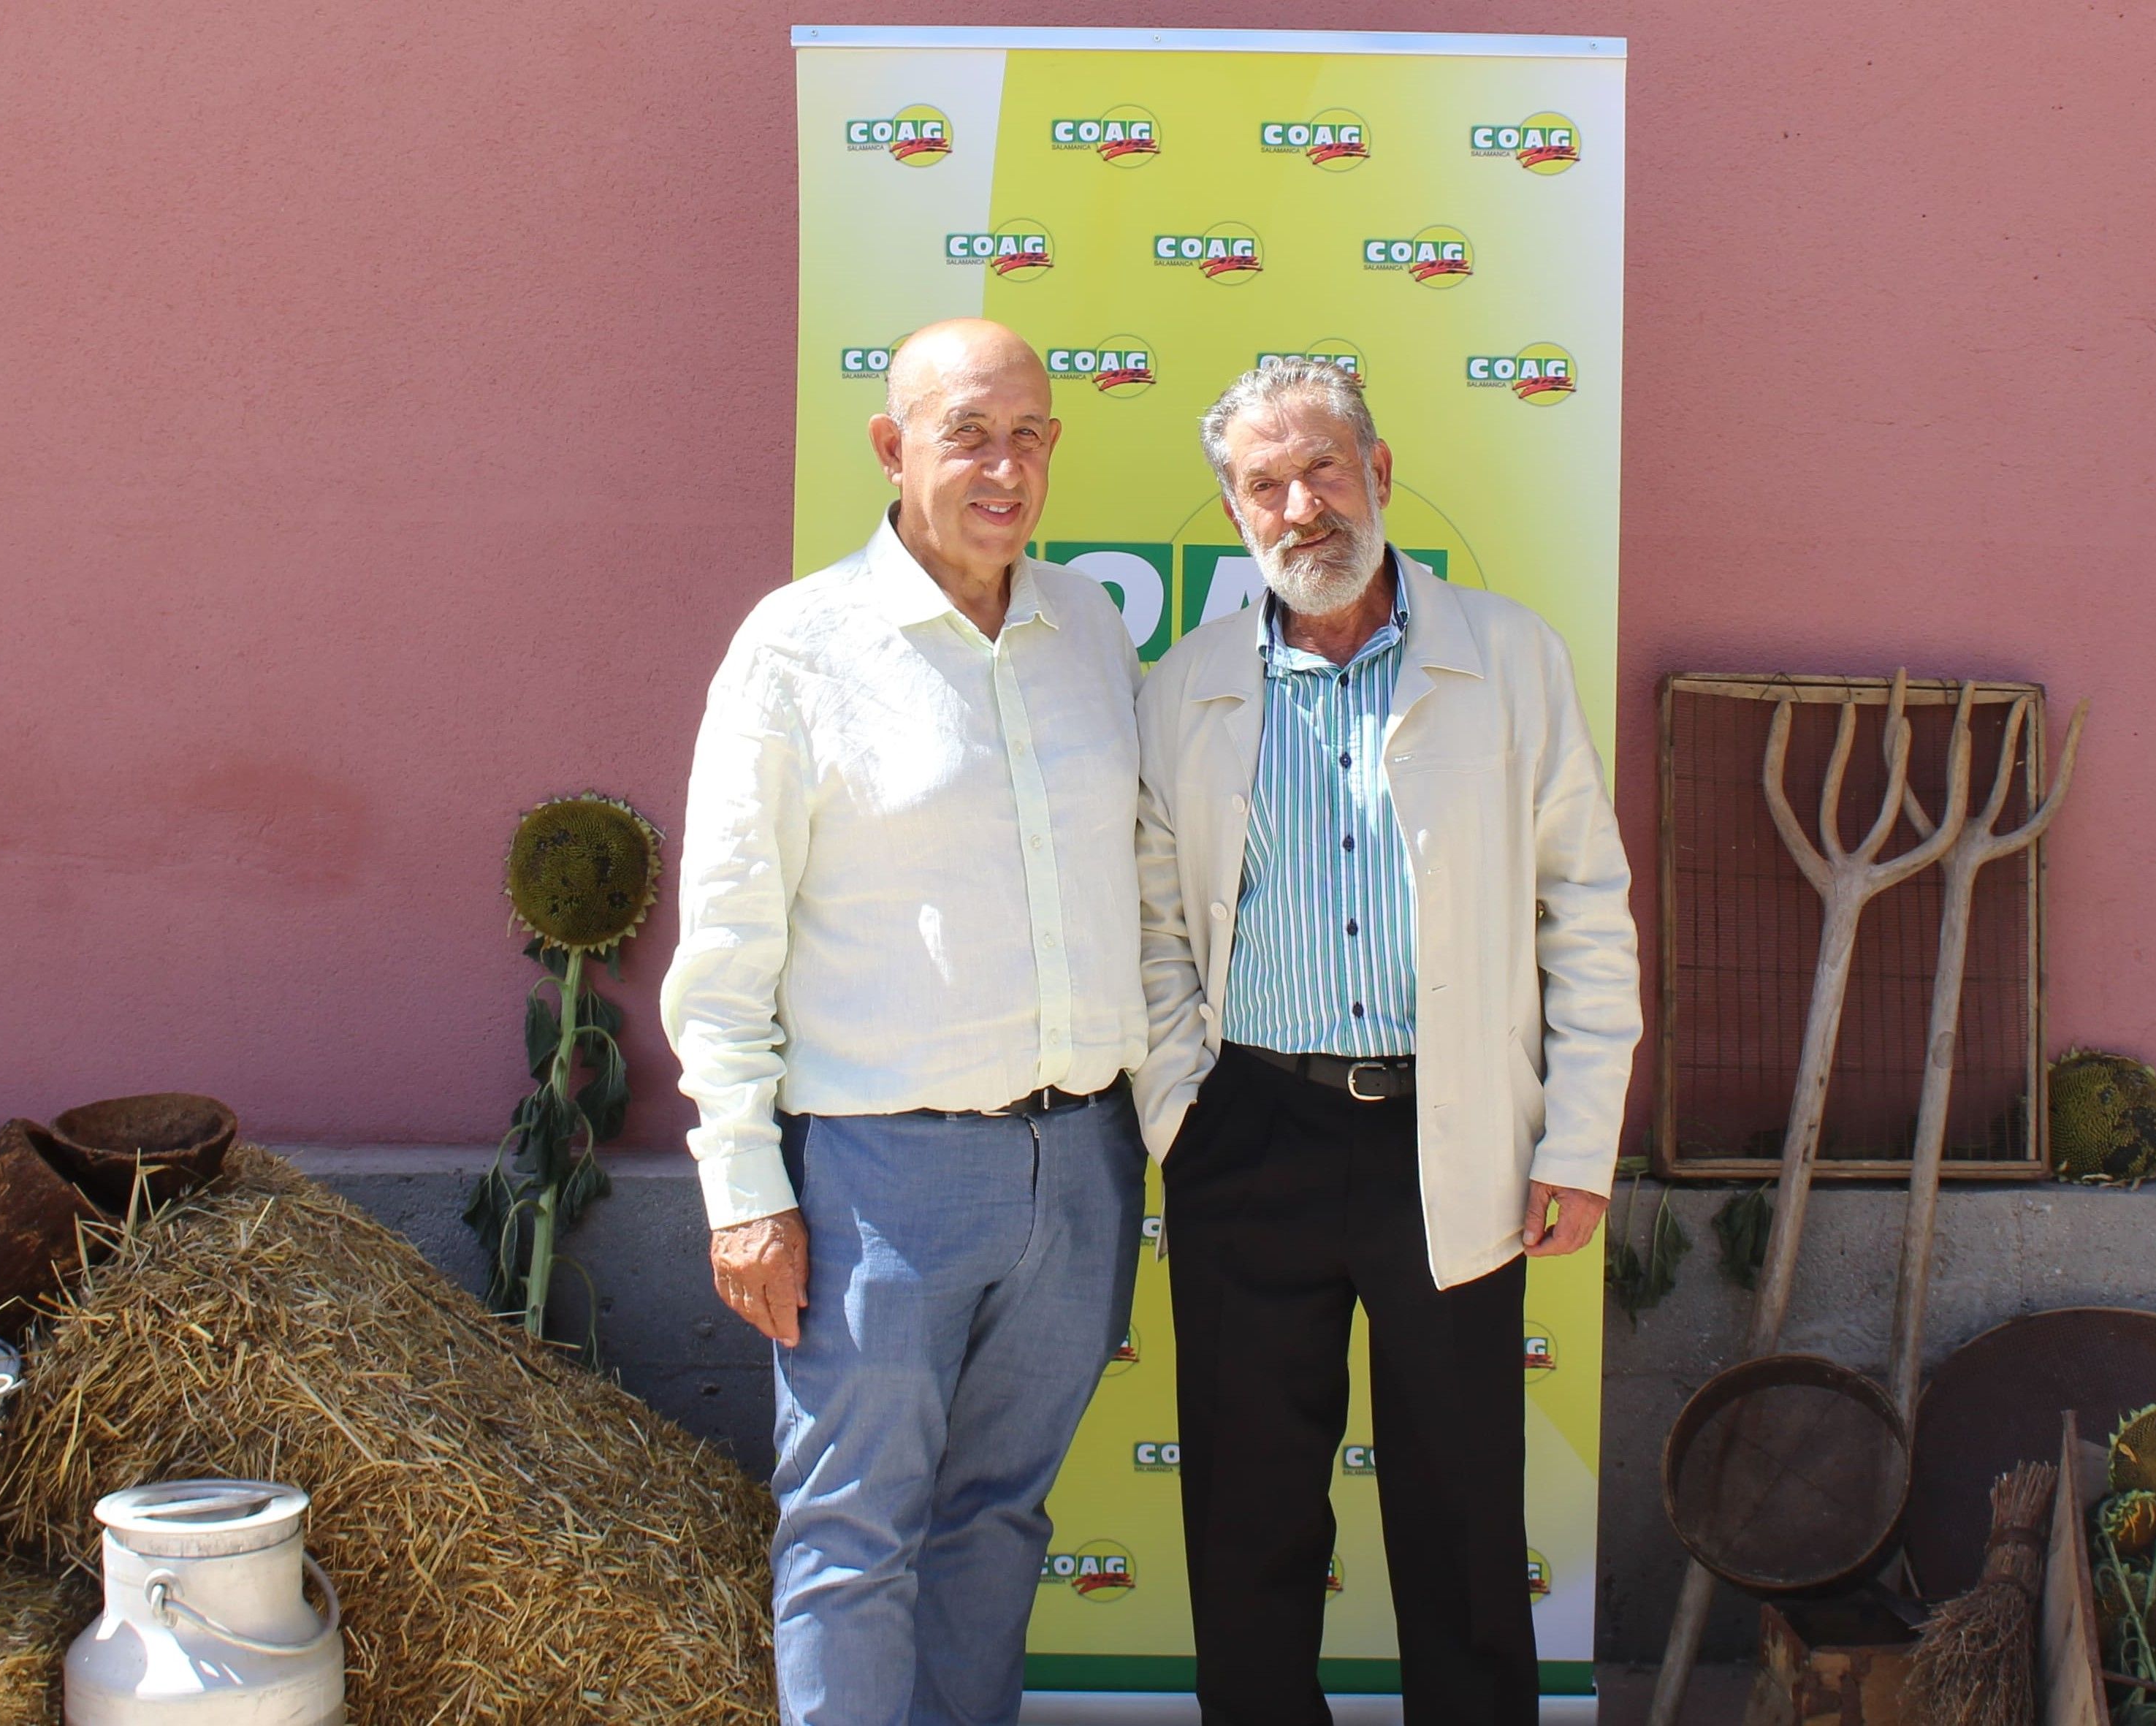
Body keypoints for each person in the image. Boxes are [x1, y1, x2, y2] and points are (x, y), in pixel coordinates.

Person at [1131, 358, 1642, 1725]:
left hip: (1453, 1131)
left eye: (1321, 469)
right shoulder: (1185, 688)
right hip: (1250, 1137)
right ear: (1237, 510)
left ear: (1380, 472)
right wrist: (1188, 1111)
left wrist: (1579, 1138)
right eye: (1263, 483)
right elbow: (1152, 928)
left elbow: (1586, 909)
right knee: (1248, 1525)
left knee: (1464, 1520)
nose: (1299, 505)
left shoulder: (1512, 657)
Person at [660, 319, 1149, 1726]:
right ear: (892, 447)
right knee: (852, 1536)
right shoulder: (799, 648)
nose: (1007, 467)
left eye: (1032, 435)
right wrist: (744, 1187)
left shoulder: (1090, 631)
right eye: (969, 434)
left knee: (998, 1517)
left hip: (1080, 1167)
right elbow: (729, 941)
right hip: (878, 1175)